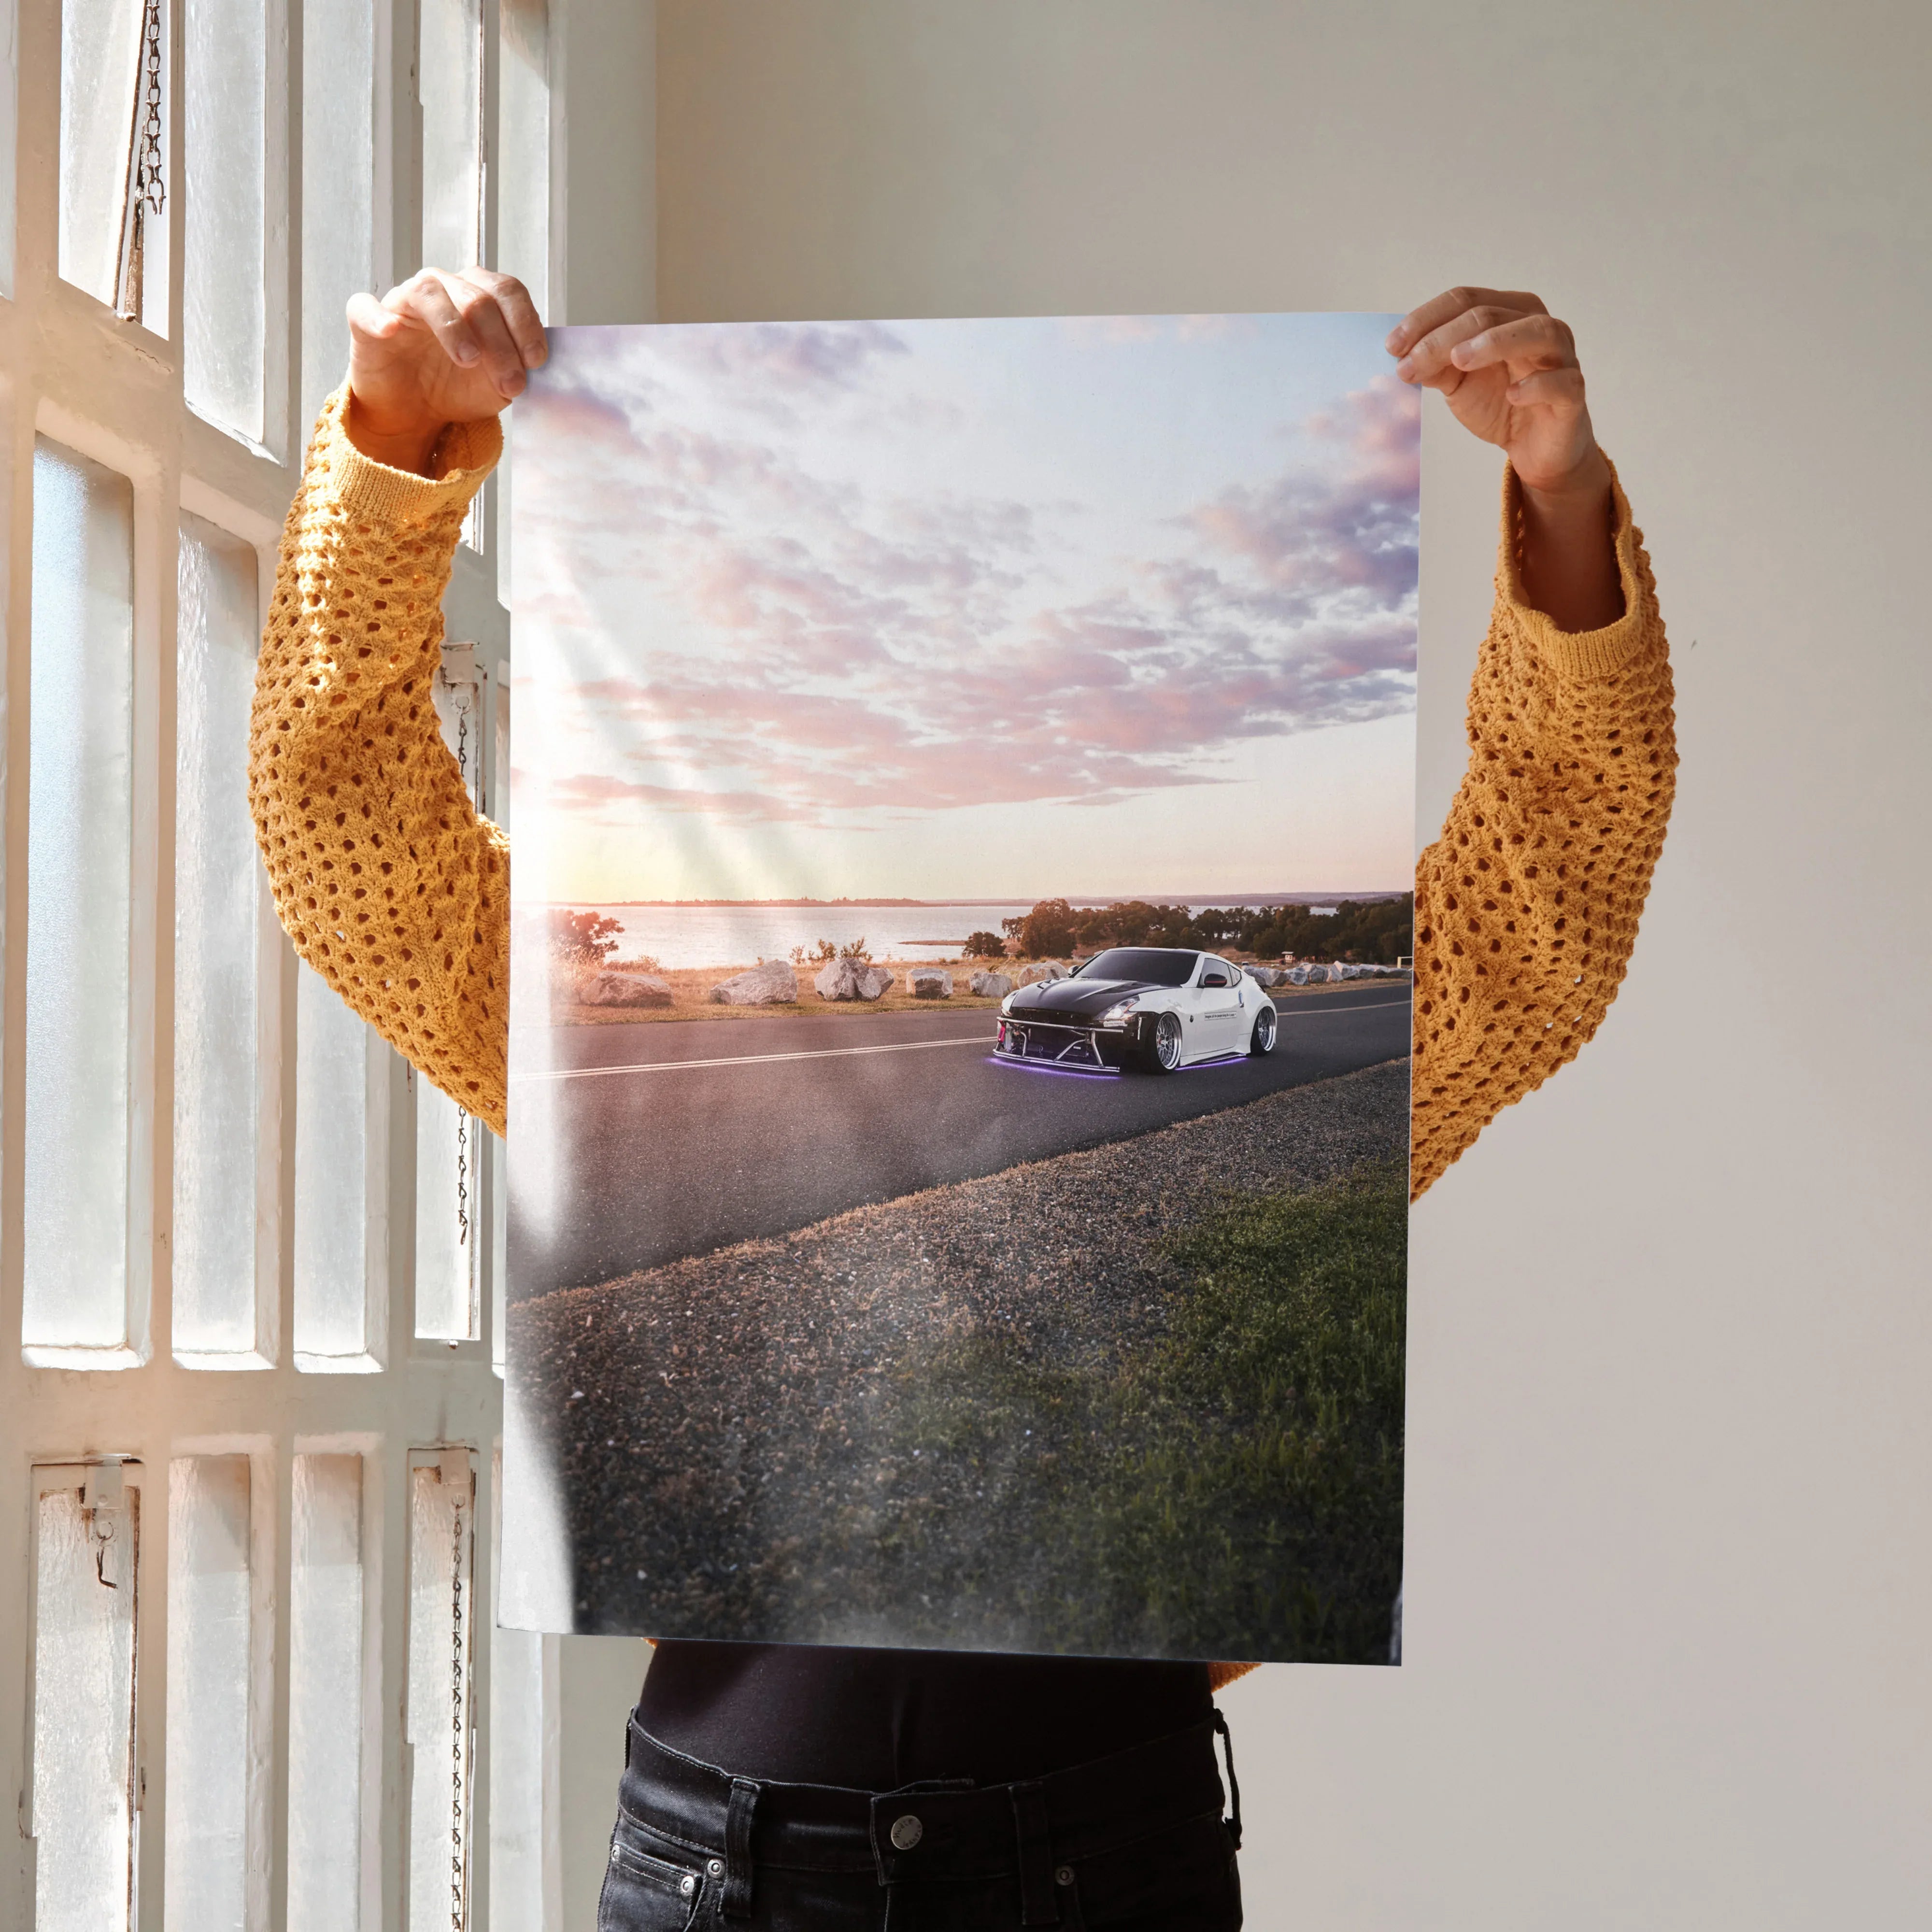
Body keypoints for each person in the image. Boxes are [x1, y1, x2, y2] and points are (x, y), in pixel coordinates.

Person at [250, 269, 1674, 1928]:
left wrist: (1561, 498)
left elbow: (1545, 908)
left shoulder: (1266, 1071)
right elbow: (346, 833)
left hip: (1107, 1856)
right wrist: (392, 442)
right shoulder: (589, 1057)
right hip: (727, 1867)